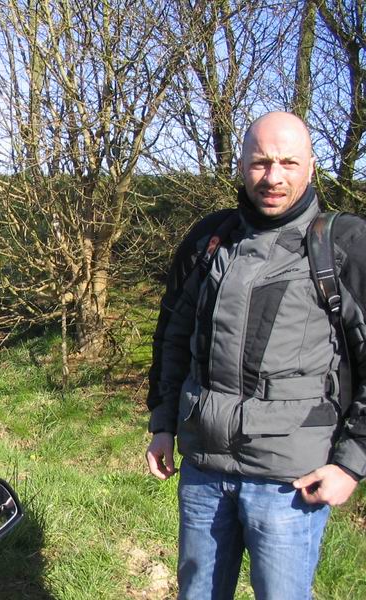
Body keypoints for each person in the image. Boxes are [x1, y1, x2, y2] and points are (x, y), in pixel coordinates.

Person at [145, 111, 366, 599]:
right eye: (261, 162)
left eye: (288, 162)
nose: (273, 177)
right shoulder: (210, 239)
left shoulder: (344, 245)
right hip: (203, 469)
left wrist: (351, 464)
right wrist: (162, 423)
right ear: (242, 164)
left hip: (290, 481)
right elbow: (173, 337)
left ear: (311, 166)